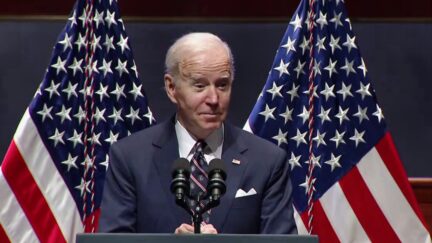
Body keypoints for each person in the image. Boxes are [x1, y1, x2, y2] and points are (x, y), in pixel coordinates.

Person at [98, 32, 297, 234]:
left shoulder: (267, 161)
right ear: (171, 87)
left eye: (222, 85)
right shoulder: (130, 158)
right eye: (199, 85)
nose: (213, 99)